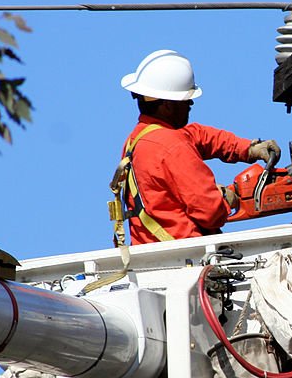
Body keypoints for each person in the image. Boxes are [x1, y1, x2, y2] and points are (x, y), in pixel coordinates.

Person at [116, 50, 280, 244]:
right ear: (168, 105)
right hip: (185, 258)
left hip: (151, 255)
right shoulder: (173, 146)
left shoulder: (137, 140)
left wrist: (248, 148)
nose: (191, 103)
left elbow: (199, 135)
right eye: (186, 99)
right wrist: (226, 199)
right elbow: (210, 212)